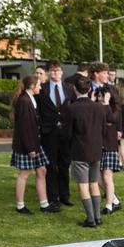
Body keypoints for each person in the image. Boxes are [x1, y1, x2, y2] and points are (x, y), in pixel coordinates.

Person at [63, 76, 107, 227]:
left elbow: (67, 133)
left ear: (75, 89)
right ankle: (98, 217)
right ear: (89, 89)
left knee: (83, 185)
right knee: (94, 183)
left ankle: (90, 219)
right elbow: (103, 129)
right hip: (96, 149)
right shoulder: (100, 107)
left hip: (79, 150)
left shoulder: (71, 108)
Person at [9, 74, 51, 214]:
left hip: (35, 143)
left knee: (42, 170)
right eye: (38, 85)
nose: (40, 87)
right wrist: (30, 148)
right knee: (24, 174)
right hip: (28, 145)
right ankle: (20, 205)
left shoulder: (30, 99)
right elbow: (25, 127)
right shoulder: (24, 101)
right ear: (32, 86)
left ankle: (44, 204)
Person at [37, 60, 74, 211]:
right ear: (47, 73)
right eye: (52, 71)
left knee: (64, 165)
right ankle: (52, 198)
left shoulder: (70, 89)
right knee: (50, 166)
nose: (55, 73)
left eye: (57, 71)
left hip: (66, 132)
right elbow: (38, 110)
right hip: (49, 132)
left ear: (62, 72)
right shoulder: (42, 89)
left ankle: (65, 196)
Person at [96, 87, 122, 215]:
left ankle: (109, 205)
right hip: (96, 146)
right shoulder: (96, 106)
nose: (100, 99)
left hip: (109, 146)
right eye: (99, 96)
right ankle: (115, 200)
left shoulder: (115, 109)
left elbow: (112, 119)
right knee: (96, 177)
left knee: (107, 176)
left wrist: (106, 103)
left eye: (103, 96)